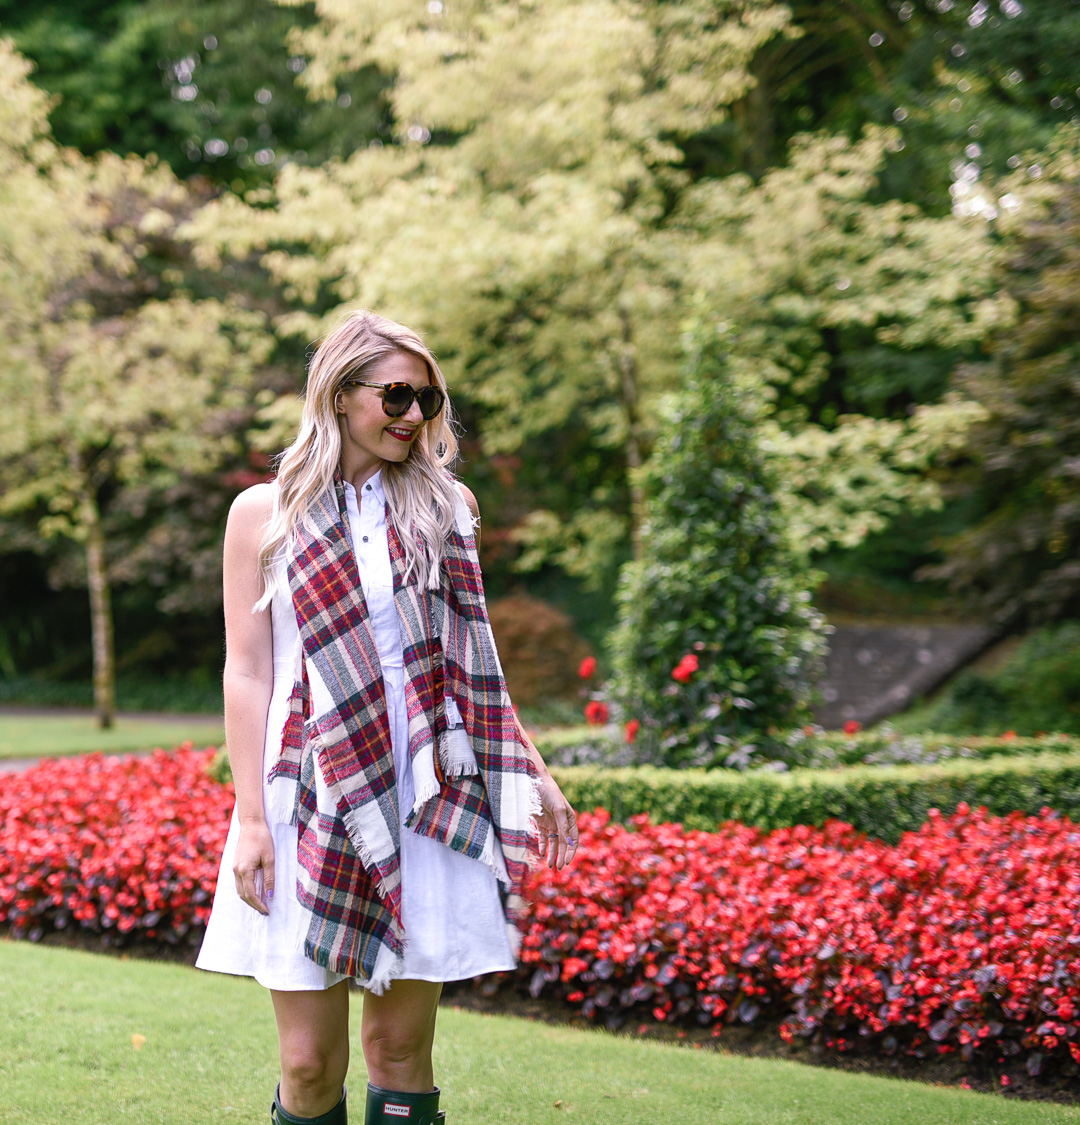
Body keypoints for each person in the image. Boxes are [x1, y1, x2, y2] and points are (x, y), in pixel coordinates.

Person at [196, 311, 579, 1125]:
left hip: (423, 787)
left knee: (399, 1050)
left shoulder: (447, 507)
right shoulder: (261, 514)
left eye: (429, 400)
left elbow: (474, 663)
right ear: (339, 394)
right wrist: (249, 817)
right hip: (307, 785)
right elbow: (248, 668)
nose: (415, 416)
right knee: (307, 1062)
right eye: (397, 395)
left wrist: (531, 772)